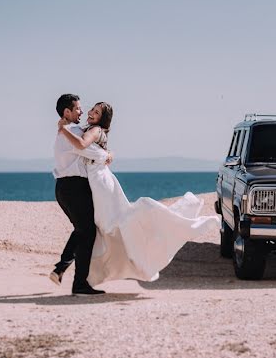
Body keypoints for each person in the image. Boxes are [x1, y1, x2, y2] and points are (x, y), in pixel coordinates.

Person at [57, 101, 219, 286]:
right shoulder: (89, 129)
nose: (91, 112)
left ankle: (76, 272)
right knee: (102, 228)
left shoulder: (94, 131)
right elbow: (90, 150)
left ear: (103, 119)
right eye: (92, 109)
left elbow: (80, 145)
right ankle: (77, 274)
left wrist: (63, 129)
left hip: (100, 183)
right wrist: (107, 154)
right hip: (98, 181)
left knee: (108, 226)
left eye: (97, 112)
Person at [51, 94, 112, 296]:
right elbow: (89, 150)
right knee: (87, 233)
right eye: (77, 108)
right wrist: (107, 155)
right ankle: (79, 284)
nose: (82, 111)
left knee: (82, 231)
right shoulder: (73, 131)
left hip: (62, 188)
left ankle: (61, 268)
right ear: (67, 112)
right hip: (75, 187)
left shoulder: (65, 131)